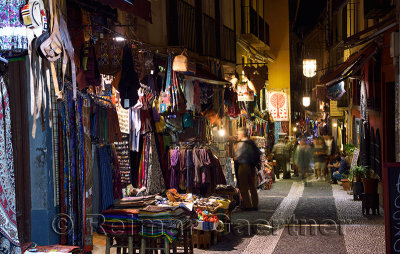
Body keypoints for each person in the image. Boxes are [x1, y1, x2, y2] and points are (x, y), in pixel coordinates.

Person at [234, 127, 260, 211]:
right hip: (252, 167)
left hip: (243, 166)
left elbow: (237, 157)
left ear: (242, 134)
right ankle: (255, 204)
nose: (237, 135)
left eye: (238, 133)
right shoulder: (251, 142)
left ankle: (248, 205)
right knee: (252, 186)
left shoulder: (241, 144)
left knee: (243, 186)